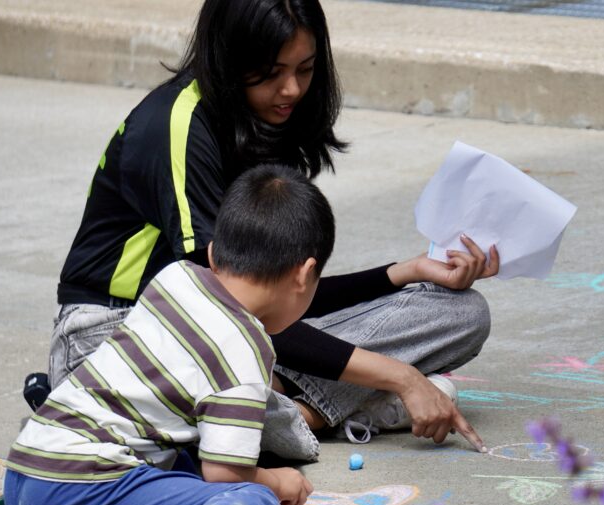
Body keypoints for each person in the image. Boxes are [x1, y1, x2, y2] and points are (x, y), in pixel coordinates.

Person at [38, 0, 496, 458]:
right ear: (228, 57)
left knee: (461, 313)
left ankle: (298, 406)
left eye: (306, 68)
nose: (291, 89)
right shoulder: (176, 126)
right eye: (271, 72)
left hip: (229, 331)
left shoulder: (264, 122)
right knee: (254, 422)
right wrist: (402, 376)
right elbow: (225, 303)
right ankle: (318, 414)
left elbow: (278, 296)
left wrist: (405, 272)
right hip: (117, 334)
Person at [4, 164, 335, 505]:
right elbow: (225, 474)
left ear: (214, 252)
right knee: (252, 500)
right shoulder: (246, 349)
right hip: (72, 496)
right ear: (305, 274)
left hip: (27, 472)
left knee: (179, 460)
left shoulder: (175, 278)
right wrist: (276, 481)